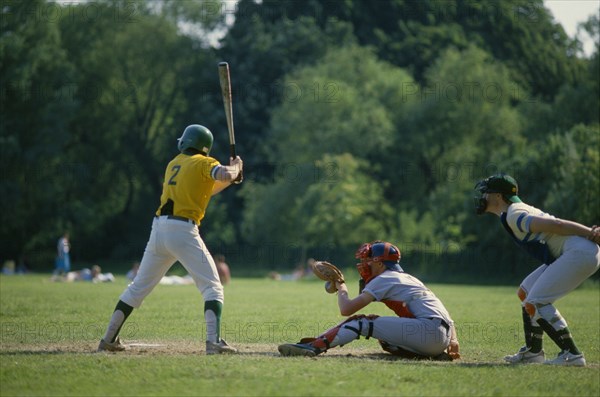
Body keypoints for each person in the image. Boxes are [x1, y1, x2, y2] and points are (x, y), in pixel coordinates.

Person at [97, 124, 243, 354]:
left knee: (137, 288)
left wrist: (232, 177)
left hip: (159, 230)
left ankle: (108, 339)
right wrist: (235, 169)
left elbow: (206, 189)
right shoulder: (204, 162)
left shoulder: (174, 163)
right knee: (213, 288)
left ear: (186, 141)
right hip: (183, 230)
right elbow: (223, 173)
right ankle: (213, 343)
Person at [474, 173, 600, 366]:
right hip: (576, 252)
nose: (483, 196)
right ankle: (533, 352)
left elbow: (556, 225)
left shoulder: (514, 214)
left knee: (537, 302)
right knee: (525, 293)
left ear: (498, 196)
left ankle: (572, 354)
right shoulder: (515, 210)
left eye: (486, 192)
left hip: (580, 253)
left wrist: (590, 233)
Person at [278, 241, 461, 360]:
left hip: (428, 332)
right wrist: (453, 340)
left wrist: (341, 286)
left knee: (362, 322)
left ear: (380, 263)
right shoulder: (409, 278)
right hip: (441, 336)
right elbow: (444, 314)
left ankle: (313, 347)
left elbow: (347, 309)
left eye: (368, 261)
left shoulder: (385, 278)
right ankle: (434, 355)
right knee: (386, 339)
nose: (364, 265)